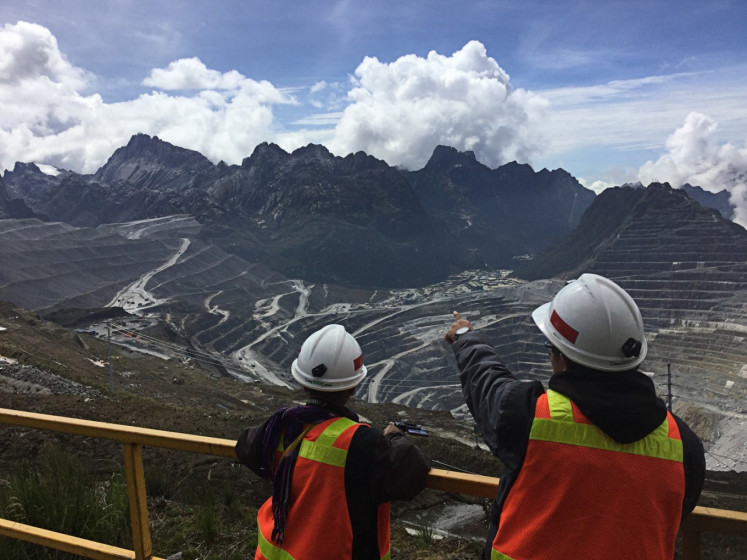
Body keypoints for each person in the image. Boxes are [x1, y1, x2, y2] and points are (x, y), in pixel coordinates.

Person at [445, 273, 705, 560]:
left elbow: (488, 383)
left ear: (561, 356)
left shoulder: (530, 418)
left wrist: (465, 336)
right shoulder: (684, 447)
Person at [236, 324, 431, 560]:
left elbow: (246, 446)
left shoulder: (279, 426)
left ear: (304, 383)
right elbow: (412, 468)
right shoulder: (360, 442)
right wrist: (393, 436)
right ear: (353, 386)